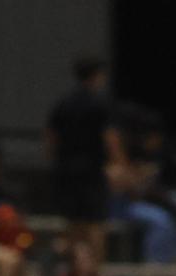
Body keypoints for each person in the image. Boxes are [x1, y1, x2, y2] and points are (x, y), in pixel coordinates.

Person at [45, 57, 120, 258]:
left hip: (67, 172)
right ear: (96, 75)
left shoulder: (63, 103)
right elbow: (110, 138)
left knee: (73, 226)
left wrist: (56, 161)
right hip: (92, 173)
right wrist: (119, 165)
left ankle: (75, 274)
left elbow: (51, 139)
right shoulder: (100, 104)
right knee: (95, 225)